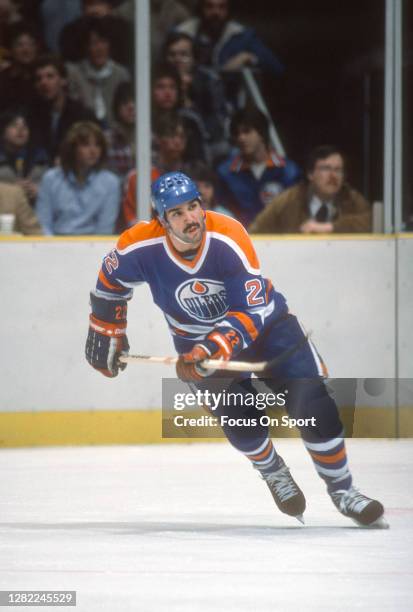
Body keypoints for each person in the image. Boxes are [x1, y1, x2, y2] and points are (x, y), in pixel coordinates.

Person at [85, 170, 386, 528]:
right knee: (241, 421)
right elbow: (110, 281)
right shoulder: (139, 245)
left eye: (193, 207)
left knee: (314, 405)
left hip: (267, 329)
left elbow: (249, 311)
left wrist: (210, 349)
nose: (191, 218)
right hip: (197, 342)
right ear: (161, 221)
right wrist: (108, 328)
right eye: (177, 213)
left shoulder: (228, 235)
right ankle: (272, 469)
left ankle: (343, 490)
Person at [249, 145, 372, 234]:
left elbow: (372, 222)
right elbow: (255, 231)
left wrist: (331, 227)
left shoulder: (350, 198)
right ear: (310, 174)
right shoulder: (289, 200)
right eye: (326, 168)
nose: (333, 176)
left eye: (338, 170)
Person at [217, 107, 301, 227]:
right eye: (237, 133)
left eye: (246, 131)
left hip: (282, 241)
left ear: (262, 133)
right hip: (241, 240)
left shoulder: (289, 171)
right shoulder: (225, 173)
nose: (241, 138)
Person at [35, 121, 120, 235]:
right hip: (54, 245)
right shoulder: (50, 179)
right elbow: (43, 224)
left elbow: (104, 230)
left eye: (97, 145)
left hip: (94, 247)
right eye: (86, 144)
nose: (93, 150)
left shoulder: (110, 182)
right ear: (72, 148)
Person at [163, 31, 230, 163]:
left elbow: (218, 119)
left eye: (184, 55)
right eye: (172, 55)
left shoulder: (209, 80)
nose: (177, 59)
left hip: (206, 140)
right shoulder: (158, 80)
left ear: (193, 57)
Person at [29, 54, 97, 160]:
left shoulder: (82, 115)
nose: (44, 82)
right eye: (39, 79)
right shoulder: (32, 114)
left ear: (63, 80)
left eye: (50, 76)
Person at [66, 16, 130, 128]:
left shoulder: (121, 74)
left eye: (103, 42)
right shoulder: (73, 73)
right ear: (86, 47)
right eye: (93, 43)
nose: (99, 48)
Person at [59, 0, 133, 70]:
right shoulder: (70, 32)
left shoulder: (123, 29)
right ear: (83, 8)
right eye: (90, 4)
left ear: (110, 7)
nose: (95, 9)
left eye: (100, 3)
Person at [0, 109, 48, 204]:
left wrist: (40, 192)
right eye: (14, 125)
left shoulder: (40, 157)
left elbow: (53, 189)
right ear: (3, 132)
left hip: (35, 212)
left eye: (25, 126)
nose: (21, 129)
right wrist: (11, 191)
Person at [0, 22, 41, 113]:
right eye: (19, 45)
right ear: (11, 49)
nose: (26, 50)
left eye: (31, 44)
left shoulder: (43, 77)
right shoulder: (3, 79)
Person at [105, 80, 135, 180]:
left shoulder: (151, 139)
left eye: (135, 101)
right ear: (117, 107)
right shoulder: (106, 140)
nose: (131, 107)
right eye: (125, 102)